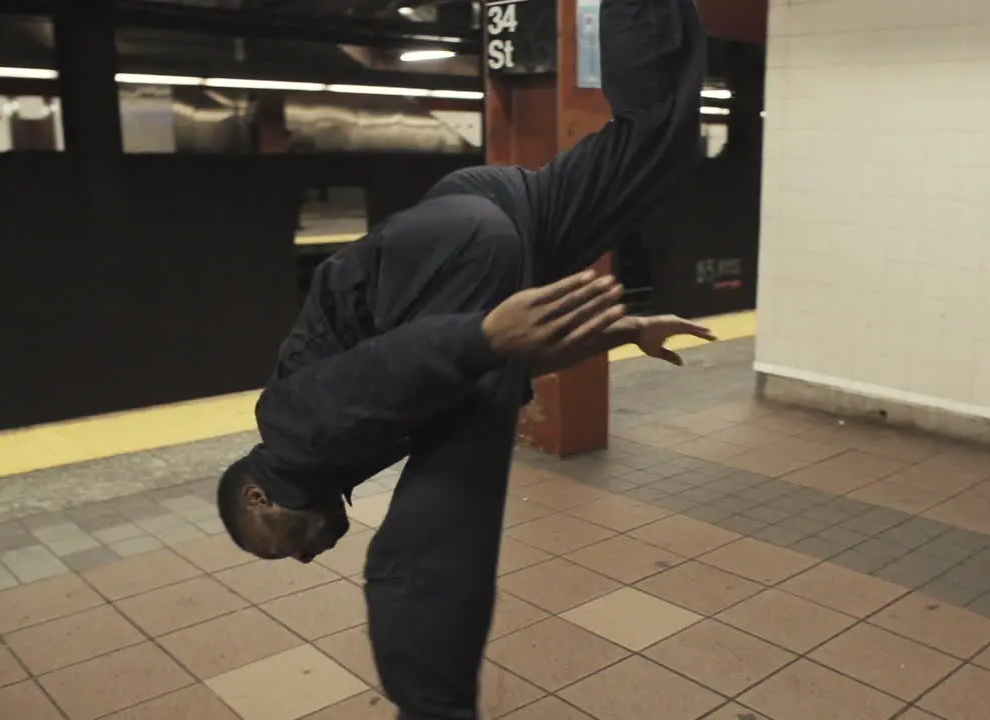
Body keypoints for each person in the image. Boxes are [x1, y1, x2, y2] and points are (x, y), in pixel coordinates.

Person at [217, 0, 708, 716]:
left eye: (276, 546)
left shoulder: (292, 426)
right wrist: (612, 333)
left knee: (443, 510)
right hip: (500, 213)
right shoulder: (330, 456)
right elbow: (429, 371)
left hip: (448, 251)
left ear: (259, 497)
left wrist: (484, 339)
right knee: (659, 141)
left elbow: (385, 370)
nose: (301, 557)